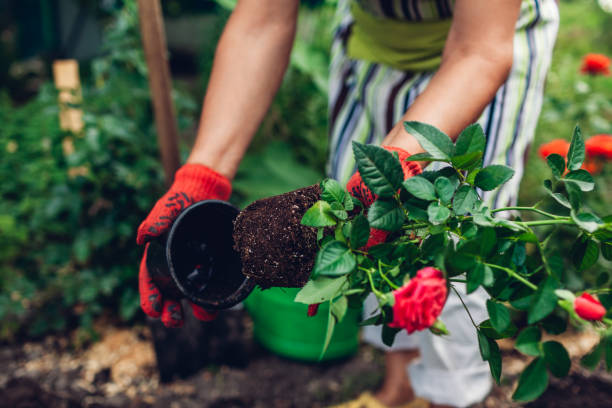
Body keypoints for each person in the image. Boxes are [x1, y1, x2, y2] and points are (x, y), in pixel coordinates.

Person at [136, 0, 559, 407]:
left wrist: (394, 166)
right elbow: (262, 19)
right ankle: (400, 390)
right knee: (370, 234)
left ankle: (450, 399)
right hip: (375, 48)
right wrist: (205, 171)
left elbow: (480, 50)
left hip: (481, 50)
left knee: (451, 248)